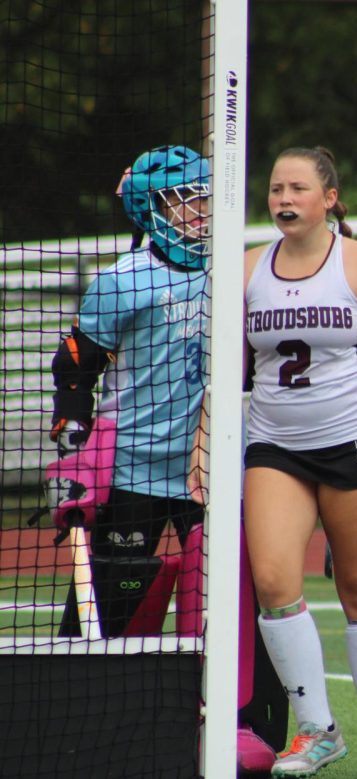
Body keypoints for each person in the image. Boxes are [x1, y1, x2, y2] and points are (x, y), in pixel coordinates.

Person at [242, 146, 357, 778]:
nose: (284, 199)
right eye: (275, 189)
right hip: (274, 443)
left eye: (297, 188)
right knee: (272, 581)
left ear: (329, 198)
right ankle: (318, 729)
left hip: (354, 440)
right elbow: (226, 370)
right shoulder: (247, 271)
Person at [49, 145, 209, 640]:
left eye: (204, 198)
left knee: (220, 604)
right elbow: (75, 362)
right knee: (108, 607)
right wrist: (72, 423)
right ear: (152, 210)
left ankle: (230, 714)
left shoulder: (229, 271)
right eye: (186, 199)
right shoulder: (124, 279)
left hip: (204, 472)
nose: (200, 210)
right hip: (131, 469)